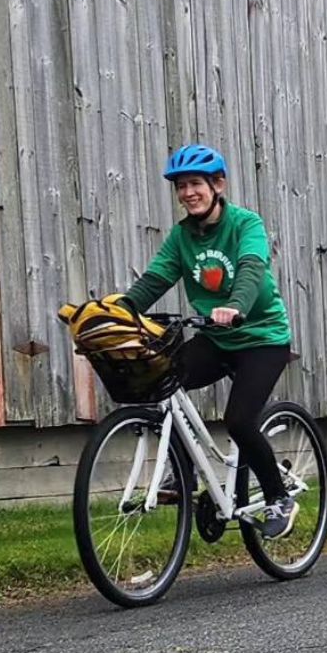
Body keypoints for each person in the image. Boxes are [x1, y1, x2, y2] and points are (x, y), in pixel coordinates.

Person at [116, 144, 298, 539]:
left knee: (239, 420)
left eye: (195, 183)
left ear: (218, 185)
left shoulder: (245, 224)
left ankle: (278, 497)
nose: (187, 193)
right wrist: (120, 310)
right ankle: (181, 474)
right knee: (160, 378)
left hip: (261, 338)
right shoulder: (182, 237)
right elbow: (156, 278)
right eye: (181, 186)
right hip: (216, 338)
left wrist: (235, 305)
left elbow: (250, 267)